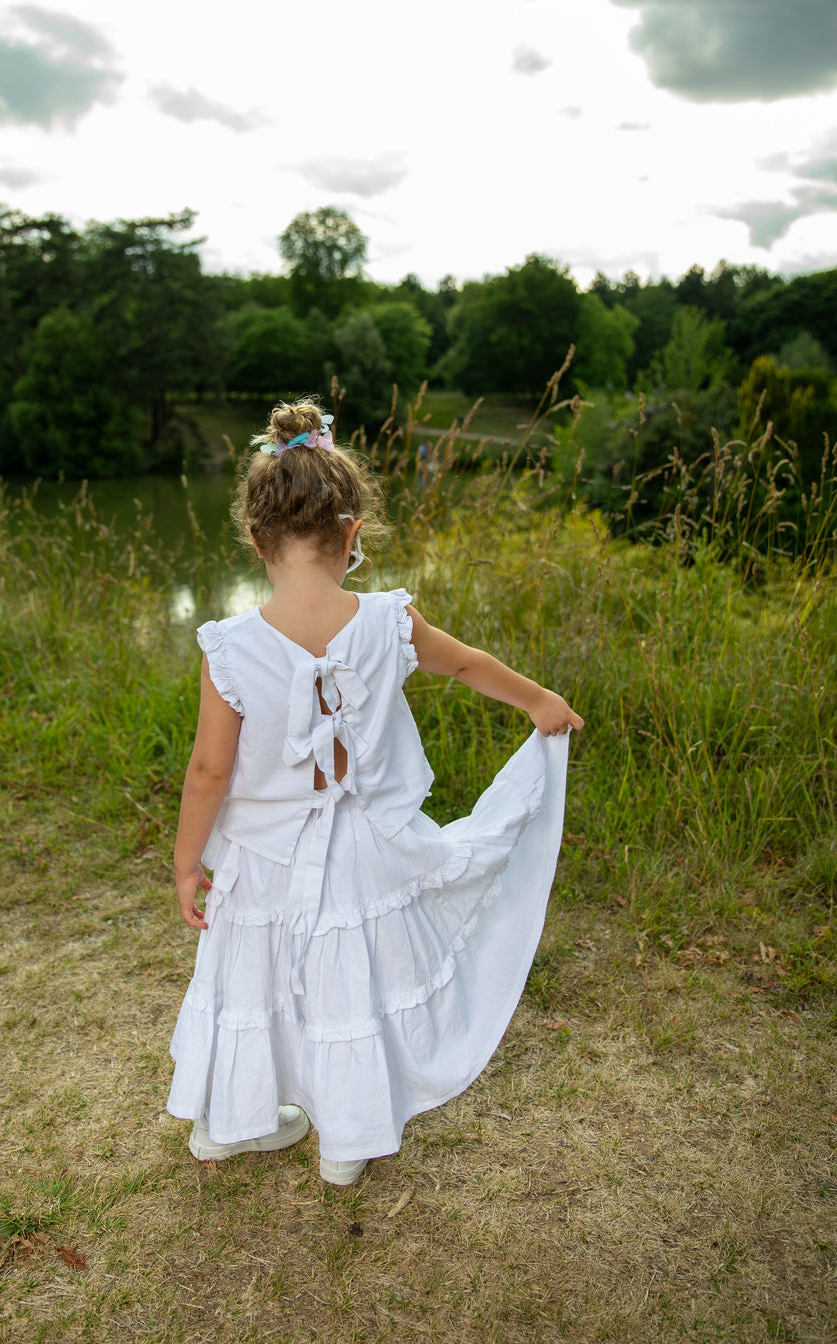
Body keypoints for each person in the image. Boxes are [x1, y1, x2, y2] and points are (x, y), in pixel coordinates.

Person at [167, 399, 583, 1185]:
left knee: (251, 980)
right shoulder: (390, 620)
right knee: (348, 980)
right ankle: (349, 1143)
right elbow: (466, 664)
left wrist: (189, 861)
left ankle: (226, 1125)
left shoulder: (229, 646)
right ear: (352, 534)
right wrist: (539, 702)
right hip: (366, 848)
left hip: (263, 859)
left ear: (255, 538)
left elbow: (208, 772)